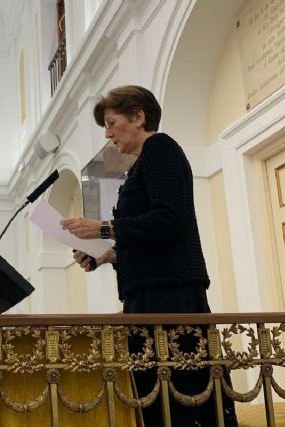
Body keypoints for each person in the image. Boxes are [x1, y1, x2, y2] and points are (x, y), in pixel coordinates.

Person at [60, 85, 237, 427]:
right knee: (155, 399)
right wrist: (107, 257)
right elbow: (149, 237)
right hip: (148, 296)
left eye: (112, 123)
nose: (109, 134)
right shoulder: (139, 166)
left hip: (171, 298)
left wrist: (102, 228)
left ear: (139, 117)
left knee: (182, 398)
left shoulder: (160, 149)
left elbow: (170, 220)